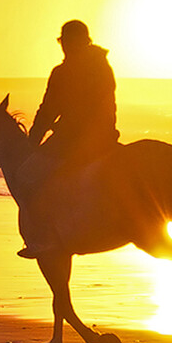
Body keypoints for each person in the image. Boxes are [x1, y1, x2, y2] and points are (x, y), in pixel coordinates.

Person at [15, 19, 121, 258]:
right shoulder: (103, 66)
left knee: (26, 177)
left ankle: (42, 238)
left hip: (72, 140)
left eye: (65, 42)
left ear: (72, 43)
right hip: (105, 137)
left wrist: (34, 140)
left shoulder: (63, 71)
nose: (63, 47)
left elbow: (48, 109)